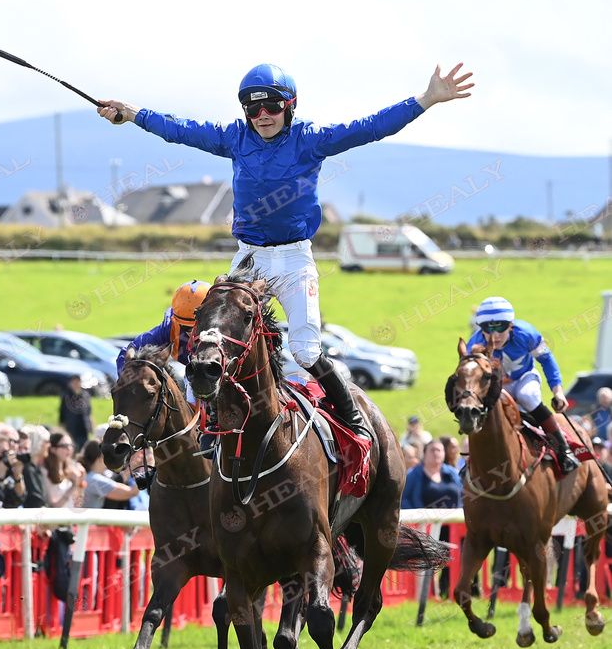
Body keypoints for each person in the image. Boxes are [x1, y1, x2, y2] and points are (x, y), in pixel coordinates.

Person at [98, 61, 474, 437]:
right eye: (252, 108)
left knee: (307, 352)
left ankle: (354, 422)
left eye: (272, 107)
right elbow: (179, 130)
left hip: (294, 260)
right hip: (248, 260)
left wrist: (425, 100)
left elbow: (370, 128)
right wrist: (132, 114)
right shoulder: (234, 138)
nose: (262, 116)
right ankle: (210, 430)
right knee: (213, 346)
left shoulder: (311, 139)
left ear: (290, 106)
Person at [467, 296, 580, 474]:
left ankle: (563, 450)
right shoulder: (474, 345)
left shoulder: (527, 334)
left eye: (500, 328)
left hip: (524, 378)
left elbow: (547, 359)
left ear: (511, 325)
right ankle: (472, 461)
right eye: (488, 330)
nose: (494, 336)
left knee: (527, 396)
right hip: (496, 386)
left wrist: (558, 391)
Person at [117, 279, 211, 404]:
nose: (192, 333)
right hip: (193, 373)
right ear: (176, 321)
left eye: (198, 327)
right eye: (187, 328)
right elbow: (130, 350)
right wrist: (129, 382)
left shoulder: (226, 326)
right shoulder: (169, 328)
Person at [401, 439, 463, 599]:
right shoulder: (414, 474)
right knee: (429, 560)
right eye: (433, 450)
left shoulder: (452, 473)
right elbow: (405, 499)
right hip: (423, 527)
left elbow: (462, 495)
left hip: (452, 526)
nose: (436, 454)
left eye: (440, 450)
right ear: (425, 453)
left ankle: (449, 592)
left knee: (455, 558)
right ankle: (426, 594)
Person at [78, 441, 139, 508]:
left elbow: (122, 478)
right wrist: (142, 470)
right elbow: (132, 492)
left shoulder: (89, 476)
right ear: (100, 459)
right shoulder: (95, 479)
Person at [43, 431, 85, 509]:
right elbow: (54, 506)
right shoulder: (46, 471)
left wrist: (80, 481)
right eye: (64, 446)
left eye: (71, 445)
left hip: (71, 518)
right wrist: (73, 486)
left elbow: (78, 504)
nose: (69, 449)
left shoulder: (71, 468)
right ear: (53, 449)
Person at [59, 375, 93, 451]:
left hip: (84, 427)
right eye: (74, 382)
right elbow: (62, 411)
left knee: (84, 448)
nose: (76, 384)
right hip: (72, 427)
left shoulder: (85, 395)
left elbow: (89, 412)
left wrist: (91, 425)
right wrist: (61, 425)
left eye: (78, 382)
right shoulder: (66, 396)